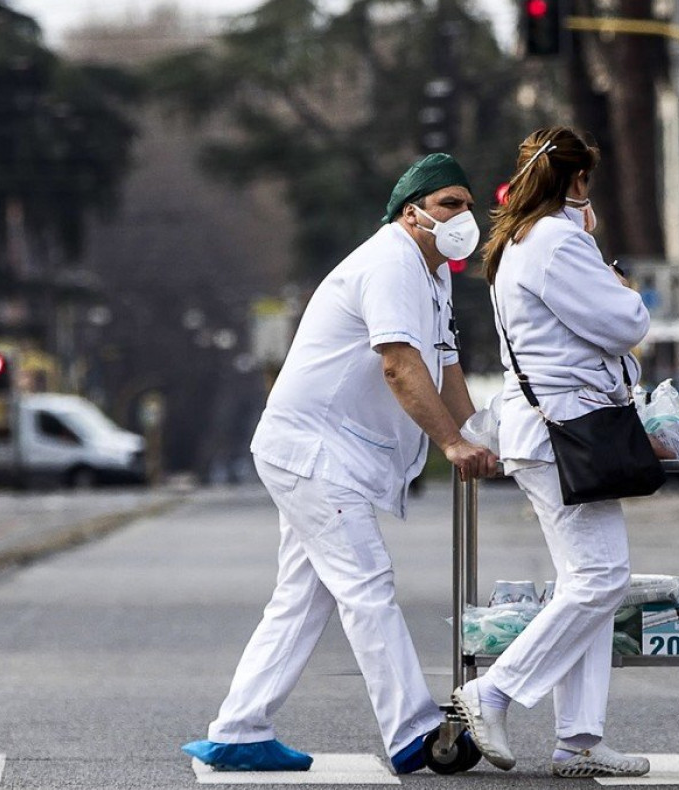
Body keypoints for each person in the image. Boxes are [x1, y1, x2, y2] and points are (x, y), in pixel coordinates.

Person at [182, 153, 499, 774]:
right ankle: (415, 730)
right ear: (413, 213)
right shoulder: (390, 262)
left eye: (467, 204)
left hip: (325, 451)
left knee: (303, 597)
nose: (465, 217)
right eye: (448, 205)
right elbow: (400, 365)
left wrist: (480, 434)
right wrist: (451, 445)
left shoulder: (432, 274)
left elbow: (447, 366)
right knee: (367, 584)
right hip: (314, 451)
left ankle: (240, 730)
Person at [451, 126, 653, 778]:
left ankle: (580, 739)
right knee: (601, 579)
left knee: (586, 582)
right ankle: (495, 692)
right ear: (576, 182)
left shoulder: (519, 240)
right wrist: (621, 287)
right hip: (563, 430)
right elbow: (626, 325)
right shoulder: (558, 242)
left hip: (548, 428)